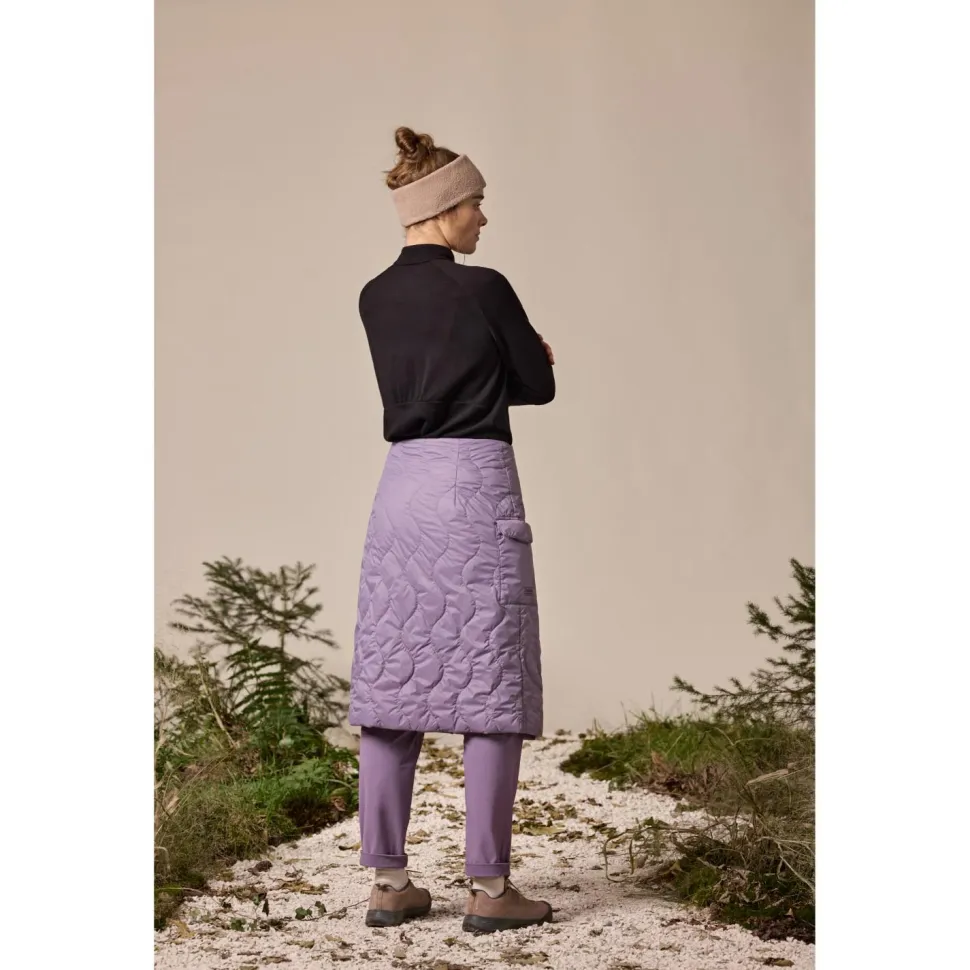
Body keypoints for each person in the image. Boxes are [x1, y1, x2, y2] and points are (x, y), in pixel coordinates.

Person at [349, 126, 557, 935]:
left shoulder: (373, 296)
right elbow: (534, 384)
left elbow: (422, 383)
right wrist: (523, 361)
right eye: (476, 204)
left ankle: (388, 884)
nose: (483, 219)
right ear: (444, 209)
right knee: (490, 689)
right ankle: (490, 889)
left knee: (389, 688)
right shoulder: (486, 288)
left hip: (403, 490)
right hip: (474, 487)